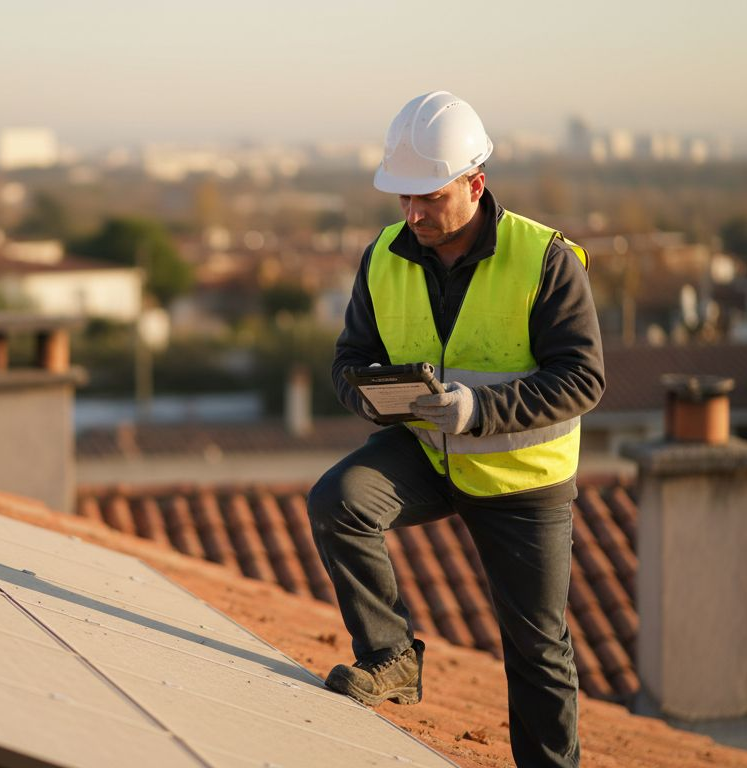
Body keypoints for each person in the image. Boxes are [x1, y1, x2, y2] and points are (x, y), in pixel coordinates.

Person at [309, 91, 604, 768]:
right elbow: (349, 359)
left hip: (522, 482)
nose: (413, 215)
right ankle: (390, 658)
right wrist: (372, 396)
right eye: (403, 200)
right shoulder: (384, 254)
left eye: (429, 199)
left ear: (476, 184)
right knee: (338, 501)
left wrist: (479, 411)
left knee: (536, 648)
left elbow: (583, 381)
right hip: (427, 456)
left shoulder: (546, 260)